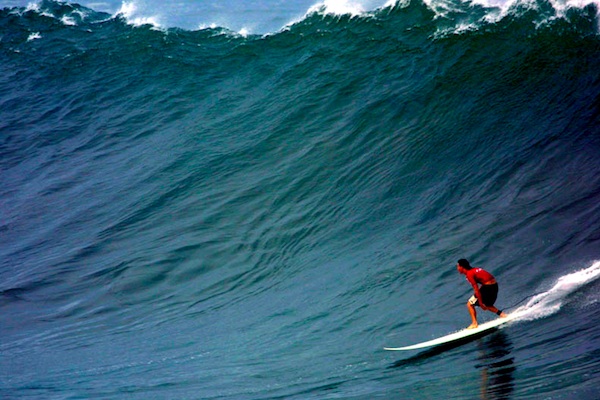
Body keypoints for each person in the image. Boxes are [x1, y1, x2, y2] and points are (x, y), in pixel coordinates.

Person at [456, 258, 507, 329]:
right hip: (494, 285)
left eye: (458, 266)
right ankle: (502, 315)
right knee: (487, 304)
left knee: (469, 304)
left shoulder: (469, 274)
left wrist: (480, 303)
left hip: (488, 287)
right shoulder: (475, 269)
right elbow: (487, 278)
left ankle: (474, 323)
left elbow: (476, 289)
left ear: (462, 267)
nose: (457, 268)